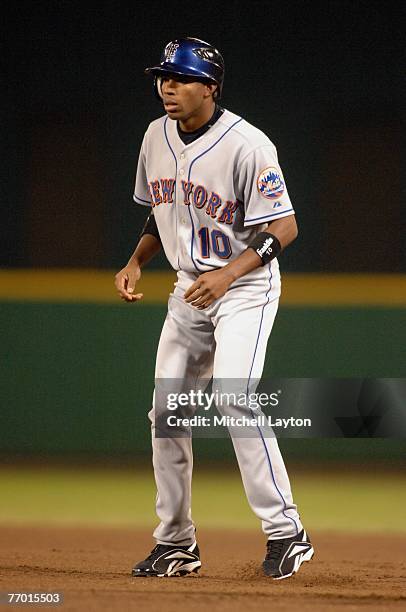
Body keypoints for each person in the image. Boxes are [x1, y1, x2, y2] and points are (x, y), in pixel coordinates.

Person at [115, 37, 314, 580]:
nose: (167, 87)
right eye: (163, 77)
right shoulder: (155, 135)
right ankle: (176, 543)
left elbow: (285, 227)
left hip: (244, 286)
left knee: (234, 397)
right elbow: (161, 211)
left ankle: (286, 532)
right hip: (188, 290)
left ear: (211, 87)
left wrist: (227, 276)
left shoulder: (249, 144)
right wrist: (135, 261)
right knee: (166, 414)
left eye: (180, 78)